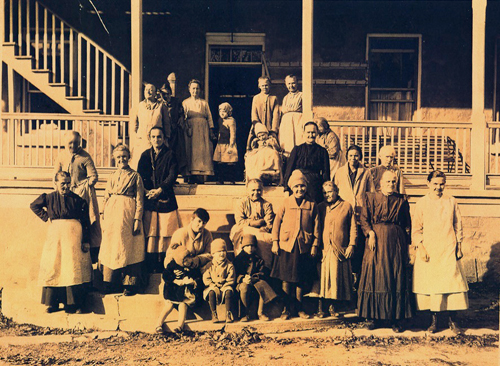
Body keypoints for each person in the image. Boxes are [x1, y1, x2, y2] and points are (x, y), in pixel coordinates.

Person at [412, 170, 468, 334]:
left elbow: (458, 225)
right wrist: (421, 248)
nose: (438, 187)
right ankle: (434, 321)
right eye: (435, 184)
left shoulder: (451, 201)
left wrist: (459, 246)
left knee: (452, 283)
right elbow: (416, 229)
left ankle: (453, 320)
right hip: (430, 250)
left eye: (441, 184)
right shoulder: (422, 203)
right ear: (428, 183)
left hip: (448, 248)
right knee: (433, 284)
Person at [358, 170, 413, 332]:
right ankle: (373, 317)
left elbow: (407, 225)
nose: (391, 184)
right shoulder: (370, 197)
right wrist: (370, 233)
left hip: (396, 242)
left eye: (393, 182)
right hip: (376, 241)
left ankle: (395, 319)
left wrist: (409, 246)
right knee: (375, 275)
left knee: (395, 275)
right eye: (388, 181)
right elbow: (364, 219)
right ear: (380, 183)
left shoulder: (401, 200)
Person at [30, 171, 92, 314]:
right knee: (55, 266)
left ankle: (74, 304)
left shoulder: (78, 200)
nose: (65, 186)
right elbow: (34, 206)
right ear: (56, 183)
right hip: (55, 236)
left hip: (73, 237)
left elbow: (86, 222)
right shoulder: (49, 198)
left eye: (68, 182)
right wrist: (46, 217)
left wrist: (86, 241)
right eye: (62, 183)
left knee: (71, 268)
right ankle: (53, 304)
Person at [271, 169, 320, 320]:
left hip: (303, 246)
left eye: (302, 186)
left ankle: (300, 309)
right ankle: (286, 309)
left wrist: (314, 245)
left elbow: (317, 226)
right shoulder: (285, 202)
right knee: (286, 279)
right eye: (296, 187)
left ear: (306, 187)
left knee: (301, 279)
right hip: (287, 246)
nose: (300, 189)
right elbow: (276, 223)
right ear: (292, 188)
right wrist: (275, 242)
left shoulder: (312, 204)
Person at [98, 144, 145, 296]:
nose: (121, 159)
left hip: (127, 213)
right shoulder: (112, 176)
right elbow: (106, 196)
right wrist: (102, 213)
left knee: (128, 246)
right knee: (111, 246)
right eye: (118, 157)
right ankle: (110, 282)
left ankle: (129, 284)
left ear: (129, 157)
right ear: (114, 158)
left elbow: (139, 199)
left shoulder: (135, 176)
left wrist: (137, 219)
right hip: (112, 213)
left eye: (124, 156)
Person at [311, 182, 357, 318]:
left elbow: (353, 228)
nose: (328, 195)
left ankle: (334, 306)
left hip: (340, 248)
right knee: (323, 278)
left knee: (336, 278)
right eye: (325, 193)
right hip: (324, 248)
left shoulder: (346, 206)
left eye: (330, 192)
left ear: (337, 191)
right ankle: (321, 308)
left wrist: (351, 245)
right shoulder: (320, 207)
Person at [137, 127, 180, 273]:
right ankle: (151, 264)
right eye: (154, 137)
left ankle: (165, 263)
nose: (156, 140)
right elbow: (140, 176)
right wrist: (148, 192)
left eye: (159, 137)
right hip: (150, 199)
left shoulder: (170, 155)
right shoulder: (144, 155)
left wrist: (160, 190)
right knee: (152, 231)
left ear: (164, 138)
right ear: (150, 138)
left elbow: (172, 175)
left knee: (165, 232)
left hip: (165, 198)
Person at [54, 131, 101, 262]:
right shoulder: (61, 156)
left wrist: (82, 187)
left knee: (84, 222)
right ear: (65, 143)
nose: (73, 145)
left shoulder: (85, 157)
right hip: (65, 194)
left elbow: (93, 176)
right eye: (70, 143)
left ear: (80, 142)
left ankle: (87, 254)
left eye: (76, 142)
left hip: (81, 195)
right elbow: (55, 175)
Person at [334, 145, 374, 288]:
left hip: (360, 213)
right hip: (345, 212)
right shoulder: (340, 172)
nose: (353, 158)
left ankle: (357, 281)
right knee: (346, 243)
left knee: (358, 247)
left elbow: (370, 193)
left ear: (360, 157)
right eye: (350, 155)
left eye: (356, 155)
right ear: (347, 157)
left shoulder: (366, 173)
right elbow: (335, 191)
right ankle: (346, 281)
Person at [156, 245, 202, 333]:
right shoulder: (172, 266)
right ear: (179, 261)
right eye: (184, 261)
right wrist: (175, 280)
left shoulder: (193, 267)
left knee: (183, 305)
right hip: (172, 292)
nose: (188, 262)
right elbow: (165, 276)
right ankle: (158, 324)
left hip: (183, 295)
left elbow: (197, 277)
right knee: (169, 306)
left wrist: (193, 282)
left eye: (189, 258)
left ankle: (179, 326)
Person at [229, 178, 275, 268]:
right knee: (243, 234)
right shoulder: (241, 203)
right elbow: (240, 221)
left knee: (265, 238)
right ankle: (241, 267)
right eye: (253, 190)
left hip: (261, 232)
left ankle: (264, 268)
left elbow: (268, 224)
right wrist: (258, 222)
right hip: (244, 230)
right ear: (247, 191)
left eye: (258, 190)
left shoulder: (267, 205)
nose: (256, 193)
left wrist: (257, 226)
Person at [283, 122, 330, 203]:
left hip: (315, 186)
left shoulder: (322, 151)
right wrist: (286, 189)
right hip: (298, 185)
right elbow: (289, 170)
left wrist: (326, 189)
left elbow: (326, 173)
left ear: (317, 133)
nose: (311, 135)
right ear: (303, 133)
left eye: (313, 132)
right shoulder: (297, 150)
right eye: (308, 132)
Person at [234, 234, 277, 322]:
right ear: (243, 247)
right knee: (244, 287)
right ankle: (244, 314)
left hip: (255, 281)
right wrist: (242, 278)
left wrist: (253, 278)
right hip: (242, 282)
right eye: (247, 246)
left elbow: (262, 272)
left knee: (263, 284)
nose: (250, 248)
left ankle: (261, 312)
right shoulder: (238, 259)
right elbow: (235, 273)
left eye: (252, 246)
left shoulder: (258, 259)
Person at [182, 79, 216, 183]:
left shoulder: (204, 103)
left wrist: (211, 130)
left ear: (200, 90)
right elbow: (183, 117)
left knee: (202, 151)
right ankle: (191, 175)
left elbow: (209, 117)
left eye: (197, 89)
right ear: (189, 90)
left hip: (203, 129)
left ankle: (201, 175)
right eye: (193, 88)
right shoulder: (186, 102)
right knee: (191, 151)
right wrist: (186, 128)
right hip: (191, 129)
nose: (195, 91)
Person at [132, 83, 170, 168]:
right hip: (143, 138)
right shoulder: (139, 106)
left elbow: (166, 123)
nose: (148, 92)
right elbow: (134, 123)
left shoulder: (161, 106)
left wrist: (166, 137)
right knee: (142, 160)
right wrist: (136, 136)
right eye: (146, 90)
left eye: (151, 90)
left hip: (157, 138)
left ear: (155, 93)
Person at [202, 239, 236, 323]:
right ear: (213, 254)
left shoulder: (229, 265)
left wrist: (226, 284)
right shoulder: (209, 266)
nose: (222, 253)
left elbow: (231, 278)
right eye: (219, 251)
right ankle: (214, 314)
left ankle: (228, 313)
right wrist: (211, 284)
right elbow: (206, 278)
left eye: (224, 251)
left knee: (228, 291)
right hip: (213, 286)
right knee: (211, 292)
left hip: (225, 285)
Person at [159, 82, 188, 176]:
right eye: (163, 94)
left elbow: (181, 113)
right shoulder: (159, 103)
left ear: (170, 93)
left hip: (175, 132)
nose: (165, 96)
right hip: (163, 132)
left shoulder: (176, 102)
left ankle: (174, 176)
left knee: (176, 154)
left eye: (167, 93)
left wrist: (181, 118)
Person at [247, 76, 280, 149]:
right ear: (259, 86)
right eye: (262, 85)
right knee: (253, 143)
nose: (264, 87)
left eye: (266, 85)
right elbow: (254, 114)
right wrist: (258, 126)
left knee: (272, 144)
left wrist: (273, 129)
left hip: (269, 127)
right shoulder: (256, 98)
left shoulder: (274, 98)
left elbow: (276, 115)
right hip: (258, 127)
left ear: (269, 85)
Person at [213, 102, 238, 184]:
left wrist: (231, 145)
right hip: (220, 144)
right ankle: (220, 179)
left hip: (228, 144)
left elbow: (233, 134)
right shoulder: (220, 120)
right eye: (220, 111)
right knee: (220, 162)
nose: (222, 113)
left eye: (224, 111)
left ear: (229, 112)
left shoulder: (231, 121)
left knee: (229, 162)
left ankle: (231, 179)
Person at [279, 74, 303, 156]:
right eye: (289, 84)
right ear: (286, 84)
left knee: (298, 142)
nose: (291, 86)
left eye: (293, 83)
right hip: (286, 124)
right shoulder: (285, 97)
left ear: (297, 83)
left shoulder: (302, 95)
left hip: (298, 122)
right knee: (287, 144)